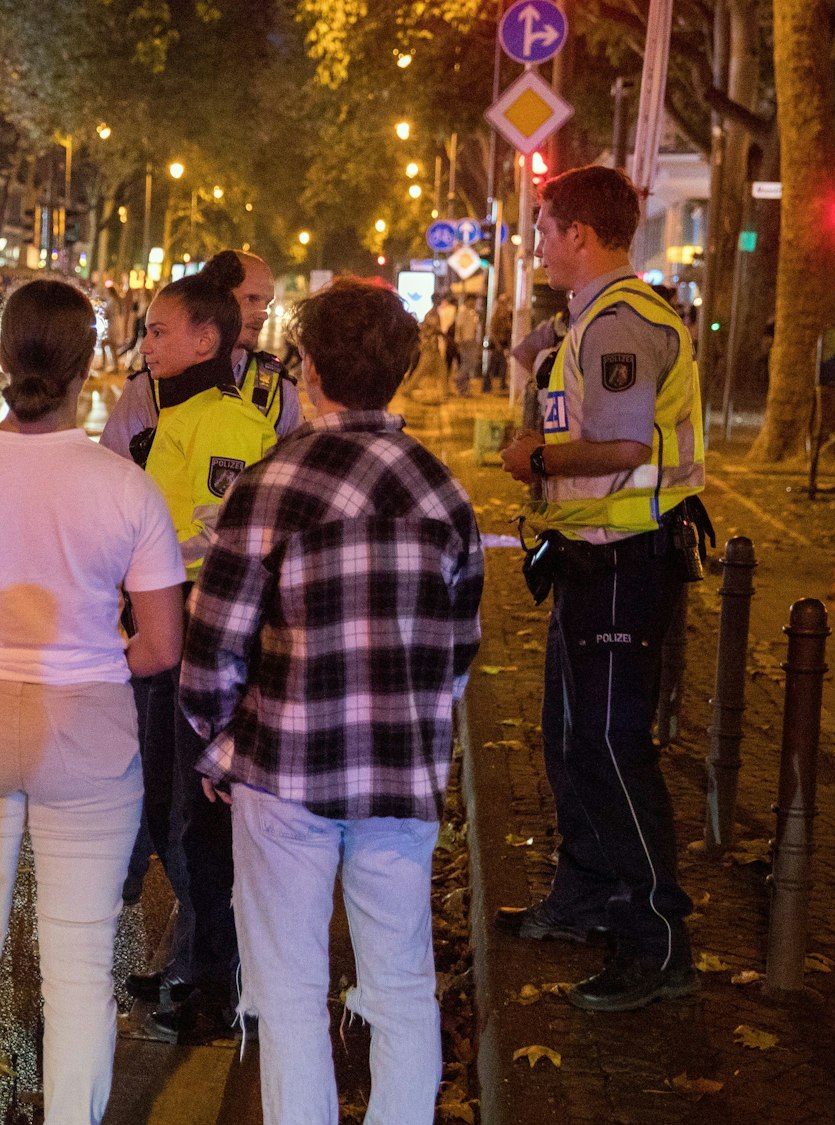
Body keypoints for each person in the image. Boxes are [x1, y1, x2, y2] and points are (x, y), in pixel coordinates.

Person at [0, 278, 186, 1125]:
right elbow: (161, 645)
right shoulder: (125, 488)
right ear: (91, 363)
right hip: (87, 727)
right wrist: (89, 657)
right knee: (81, 962)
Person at [178, 277, 482, 1125]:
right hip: (399, 781)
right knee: (402, 988)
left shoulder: (274, 481)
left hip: (284, 772)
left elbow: (214, 643)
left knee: (289, 994)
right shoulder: (443, 490)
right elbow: (460, 651)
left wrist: (217, 738)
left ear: (307, 368)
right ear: (404, 371)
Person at [496, 165, 709, 1012]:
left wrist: (535, 461)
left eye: (544, 228)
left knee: (615, 747)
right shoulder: (587, 321)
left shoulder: (621, 323)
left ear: (580, 235)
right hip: (591, 557)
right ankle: (583, 896)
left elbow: (621, 449)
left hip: (626, 559)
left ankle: (656, 939)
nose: (537, 243)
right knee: (571, 737)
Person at [101, 263, 281, 1045]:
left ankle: (218, 973)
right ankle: (202, 957)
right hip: (162, 628)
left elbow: (225, 537)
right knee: (162, 805)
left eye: (158, 329)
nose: (146, 343)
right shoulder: (174, 413)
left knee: (193, 817)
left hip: (204, 639)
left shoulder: (232, 424)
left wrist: (148, 560)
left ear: (208, 338)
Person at [101, 250, 301, 461]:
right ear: (214, 298)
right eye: (252, 299)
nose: (263, 313)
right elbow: (111, 474)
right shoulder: (147, 388)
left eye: (266, 304)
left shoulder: (280, 392)